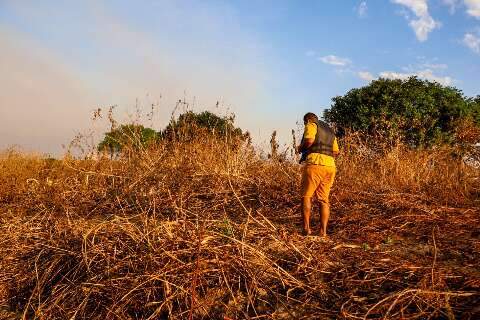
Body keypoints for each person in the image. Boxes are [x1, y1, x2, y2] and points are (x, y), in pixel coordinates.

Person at [297, 112, 339, 237]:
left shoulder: (311, 124)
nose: (305, 124)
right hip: (330, 166)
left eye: (305, 123)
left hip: (314, 164)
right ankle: (323, 231)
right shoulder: (330, 130)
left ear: (307, 120)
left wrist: (300, 148)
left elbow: (309, 141)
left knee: (306, 196)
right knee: (324, 200)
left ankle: (306, 229)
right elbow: (336, 151)